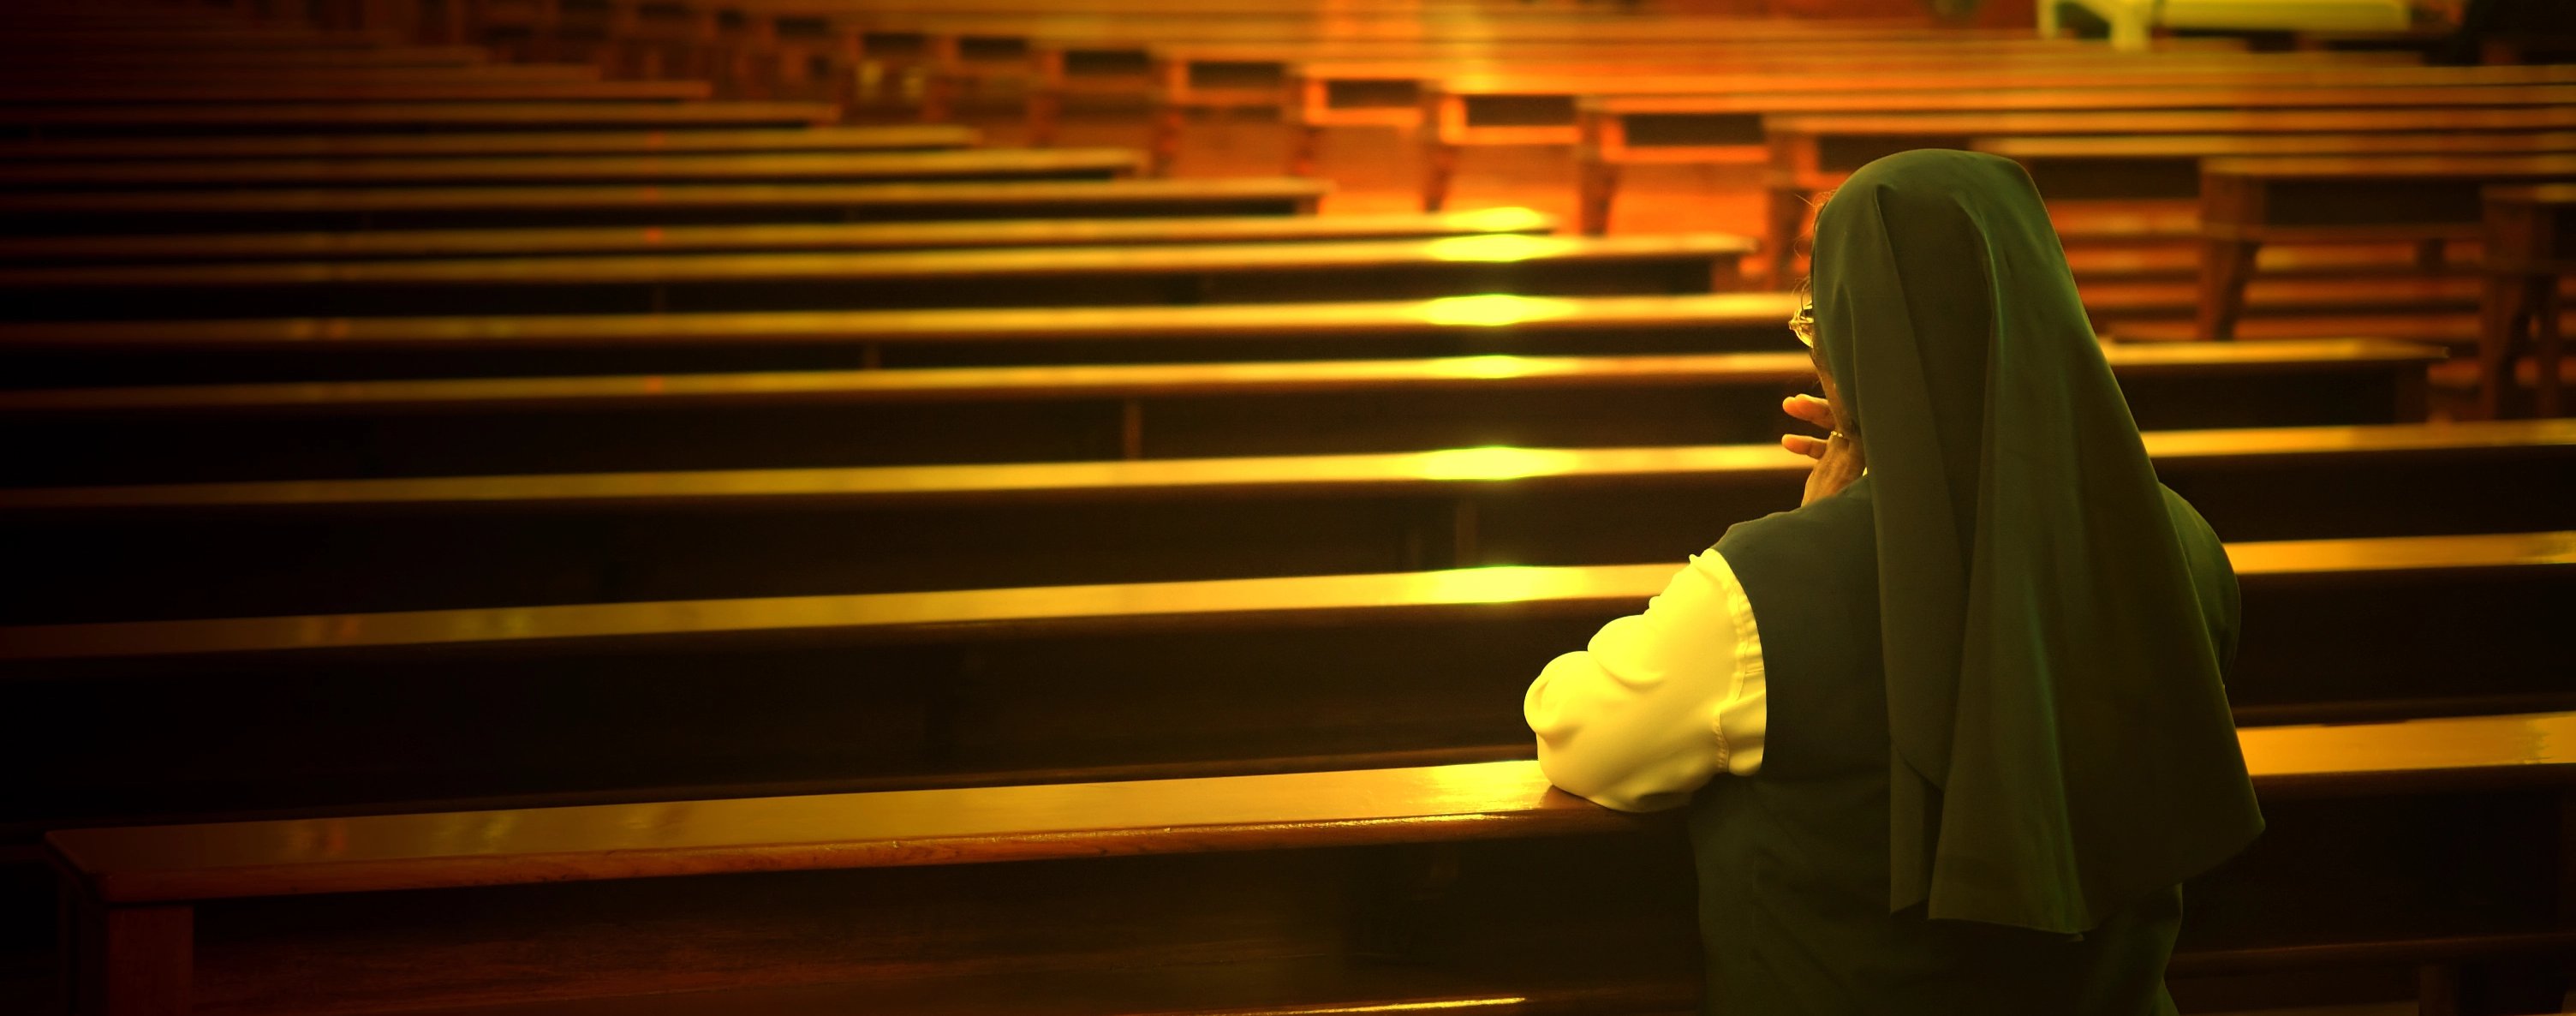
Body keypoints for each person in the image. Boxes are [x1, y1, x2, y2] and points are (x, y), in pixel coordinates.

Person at [1523, 149, 2263, 1015]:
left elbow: (1579, 736)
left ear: (1852, 335)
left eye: (1816, 322)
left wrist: (1810, 529)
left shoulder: (1761, 592)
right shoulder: (2180, 540)